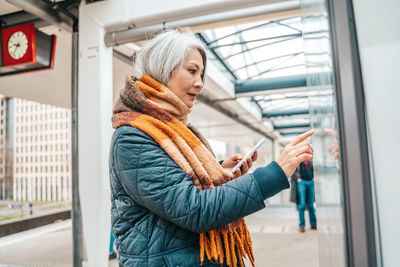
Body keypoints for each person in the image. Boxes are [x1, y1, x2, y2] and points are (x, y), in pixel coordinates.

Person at [109, 29, 314, 267]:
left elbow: (172, 182)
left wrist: (218, 170)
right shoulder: (132, 137)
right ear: (164, 69)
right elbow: (194, 208)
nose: (200, 83)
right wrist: (275, 172)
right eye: (192, 71)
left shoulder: (176, 130)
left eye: (202, 74)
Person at [294, 160, 317, 233]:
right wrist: (297, 178)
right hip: (302, 182)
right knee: (302, 204)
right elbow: (293, 167)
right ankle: (302, 225)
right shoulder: (299, 157)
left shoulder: (311, 158)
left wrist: (314, 177)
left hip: (311, 181)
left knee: (311, 204)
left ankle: (313, 224)